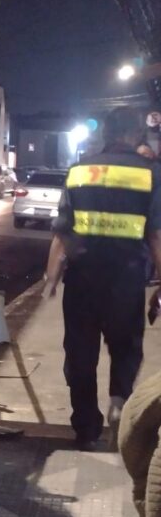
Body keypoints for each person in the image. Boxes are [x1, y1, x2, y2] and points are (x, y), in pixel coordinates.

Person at [42, 107, 161, 451]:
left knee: (80, 354)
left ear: (106, 134)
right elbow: (155, 235)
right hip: (126, 279)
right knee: (126, 348)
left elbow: (61, 233)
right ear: (136, 135)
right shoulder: (150, 173)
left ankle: (85, 428)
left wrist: (51, 278)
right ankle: (119, 400)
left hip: (81, 280)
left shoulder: (80, 171)